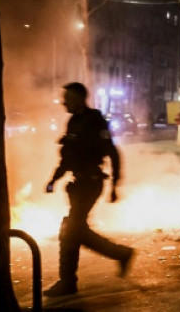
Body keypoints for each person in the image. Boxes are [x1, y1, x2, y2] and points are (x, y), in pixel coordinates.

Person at [43, 82, 134, 297]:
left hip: (91, 183)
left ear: (77, 99)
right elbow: (67, 157)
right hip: (78, 184)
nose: (63, 102)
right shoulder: (73, 122)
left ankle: (68, 281)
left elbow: (112, 152)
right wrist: (53, 179)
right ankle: (120, 254)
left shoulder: (95, 120)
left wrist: (115, 184)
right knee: (74, 230)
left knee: (70, 229)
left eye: (67, 98)